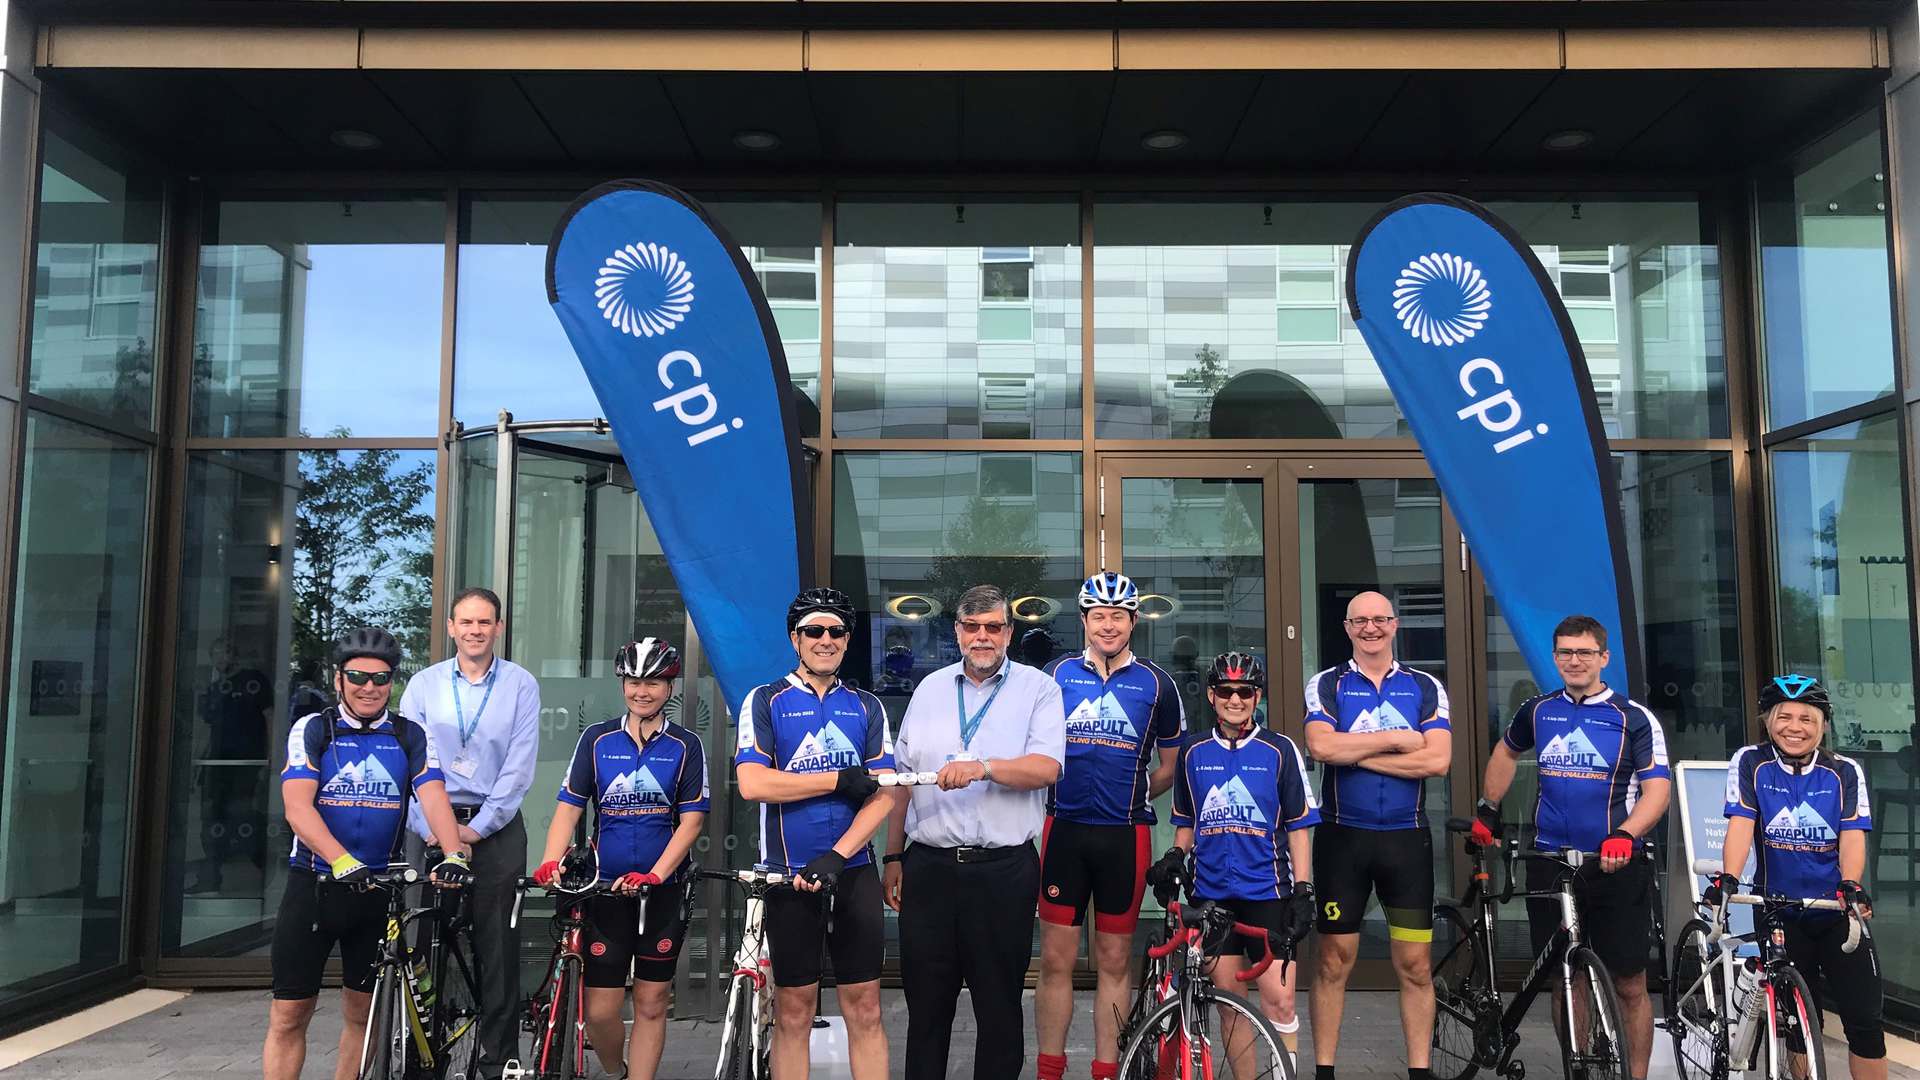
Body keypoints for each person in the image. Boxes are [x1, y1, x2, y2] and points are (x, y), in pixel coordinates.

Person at [265, 628, 472, 1080]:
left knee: (364, 1015)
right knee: (290, 1014)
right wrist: (340, 859)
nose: (369, 687)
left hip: (377, 892)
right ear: (338, 678)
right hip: (315, 887)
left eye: (381, 679)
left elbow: (433, 795)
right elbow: (297, 808)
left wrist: (454, 852)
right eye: (357, 676)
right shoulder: (315, 728)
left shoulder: (408, 734)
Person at [1471, 614, 1670, 1080]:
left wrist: (1626, 834)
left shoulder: (1633, 718)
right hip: (1551, 863)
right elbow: (1505, 751)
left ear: (1604, 657)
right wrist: (1487, 807)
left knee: (1629, 983)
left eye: (1584, 652)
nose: (1574, 661)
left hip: (1616, 863)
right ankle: (1576, 1068)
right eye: (1565, 652)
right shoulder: (1538, 710)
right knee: (1567, 978)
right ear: (1555, 657)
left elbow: (1657, 790)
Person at [882, 584, 1067, 1080]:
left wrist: (984, 767)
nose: (982, 636)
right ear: (957, 632)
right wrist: (893, 856)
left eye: (993, 627)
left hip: (1002, 872)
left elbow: (1047, 768)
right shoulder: (928, 690)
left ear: (1009, 632)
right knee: (926, 1010)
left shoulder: (1038, 689)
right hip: (930, 870)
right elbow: (902, 779)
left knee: (1000, 1007)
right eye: (972, 626)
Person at [735, 587, 896, 1080]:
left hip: (852, 872)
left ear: (847, 641)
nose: (825, 640)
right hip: (786, 876)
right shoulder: (765, 699)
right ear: (795, 639)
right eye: (813, 631)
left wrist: (838, 854)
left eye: (835, 632)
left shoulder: (866, 706)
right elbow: (753, 783)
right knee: (794, 1011)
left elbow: (886, 793)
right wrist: (834, 779)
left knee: (865, 1007)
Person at [534, 639, 708, 1080]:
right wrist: (550, 861)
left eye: (652, 682)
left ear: (670, 686)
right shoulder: (597, 739)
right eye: (633, 681)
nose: (641, 691)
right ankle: (617, 1071)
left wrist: (654, 874)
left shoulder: (686, 746)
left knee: (651, 1002)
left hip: (662, 891)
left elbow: (690, 824)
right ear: (623, 683)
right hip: (605, 889)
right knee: (599, 1011)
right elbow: (569, 809)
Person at [1036, 571, 1184, 1080]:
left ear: (1133, 621)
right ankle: (1050, 1070)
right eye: (1098, 615)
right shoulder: (1053, 677)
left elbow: (1169, 766)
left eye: (1117, 616)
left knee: (1116, 961)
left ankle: (1107, 1071)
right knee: (1056, 961)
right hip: (1065, 831)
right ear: (1083, 620)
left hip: (1126, 834)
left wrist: (1138, 795)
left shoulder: (1157, 684)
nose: (1108, 625)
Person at [1303, 591, 1451, 1080]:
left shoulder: (1425, 686)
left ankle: (1420, 1071)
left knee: (1415, 964)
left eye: (1380, 619)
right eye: (1360, 620)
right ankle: (1325, 1069)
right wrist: (1395, 738)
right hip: (1342, 840)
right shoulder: (1327, 684)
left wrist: (1356, 752)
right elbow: (1321, 746)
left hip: (1406, 843)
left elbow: (1437, 760)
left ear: (1395, 624)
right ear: (1346, 627)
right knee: (1333, 961)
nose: (1371, 628)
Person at [1709, 675, 1884, 1080]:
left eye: (1807, 718)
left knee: (1865, 1025)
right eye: (1783, 716)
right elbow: (1740, 825)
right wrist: (1729, 878)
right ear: (1768, 721)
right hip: (1778, 909)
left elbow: (1852, 837)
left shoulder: (1844, 771)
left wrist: (1851, 883)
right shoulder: (1751, 762)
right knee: (1796, 1025)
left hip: (1834, 908)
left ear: (1823, 724)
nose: (1795, 727)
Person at [1151, 651, 1317, 1071]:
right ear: (1212, 695)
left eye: (1245, 691)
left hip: (1268, 893)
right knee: (1229, 1004)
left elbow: (1298, 825)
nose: (1236, 699)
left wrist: (1303, 889)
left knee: (1279, 1002)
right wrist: (1174, 854)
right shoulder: (1192, 752)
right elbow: (1187, 821)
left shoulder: (1280, 750)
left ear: (1257, 695)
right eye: (1226, 691)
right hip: (1212, 897)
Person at [401, 587, 542, 1080]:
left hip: (495, 828)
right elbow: (411, 765)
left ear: (499, 628)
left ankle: (498, 1060)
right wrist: (437, 830)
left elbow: (518, 770)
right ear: (451, 627)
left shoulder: (521, 685)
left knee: (497, 948)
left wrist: (474, 831)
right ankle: (422, 1058)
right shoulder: (422, 685)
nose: (475, 630)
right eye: (466, 622)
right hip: (430, 825)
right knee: (422, 944)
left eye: (485, 622)